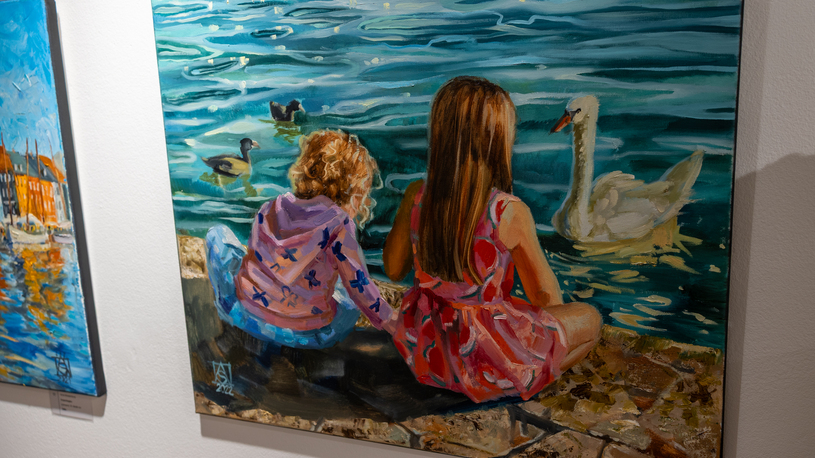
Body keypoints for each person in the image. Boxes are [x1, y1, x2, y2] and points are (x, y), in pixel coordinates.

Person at [383, 76, 603, 403]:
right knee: (591, 320)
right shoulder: (508, 211)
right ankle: (522, 382)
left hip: (427, 354)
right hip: (485, 360)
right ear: (497, 139)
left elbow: (392, 268)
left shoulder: (417, 196)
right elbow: (545, 297)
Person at [206, 129, 392, 350]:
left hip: (244, 314)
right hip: (307, 335)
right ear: (354, 190)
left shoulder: (271, 207)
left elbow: (255, 256)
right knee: (349, 302)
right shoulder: (340, 225)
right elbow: (360, 288)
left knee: (217, 235)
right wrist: (391, 320)